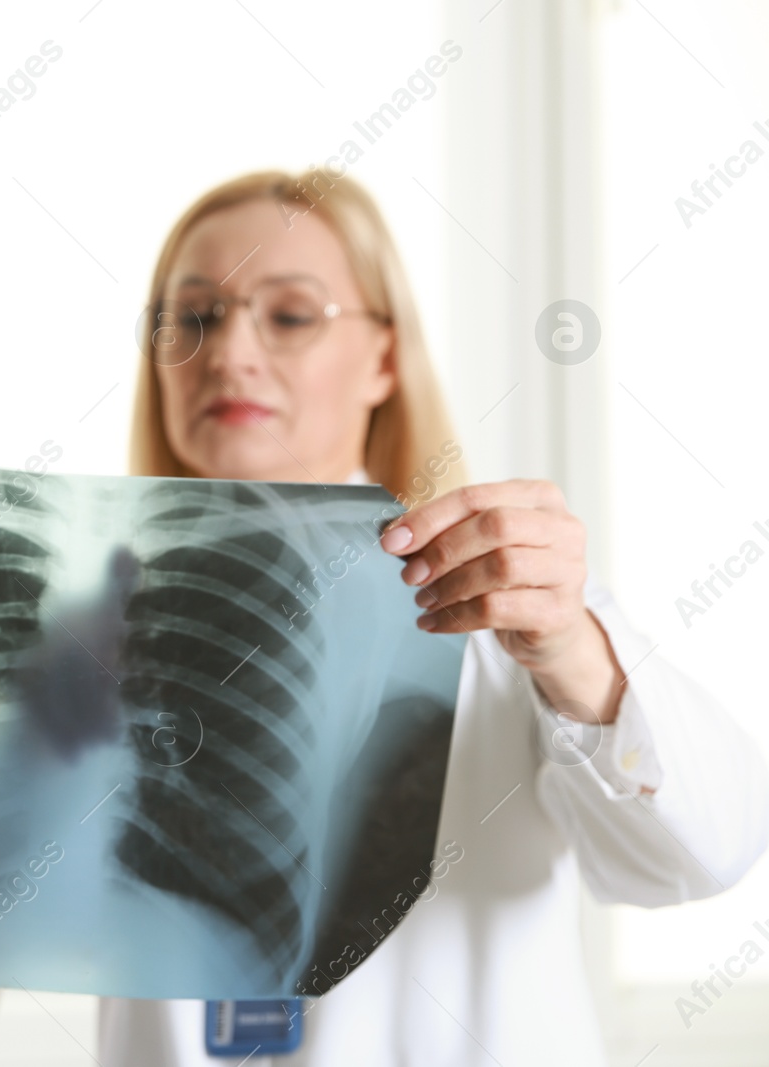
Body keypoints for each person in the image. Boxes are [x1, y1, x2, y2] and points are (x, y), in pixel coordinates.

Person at [100, 169, 769, 1066]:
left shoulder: (504, 603)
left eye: (290, 315)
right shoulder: (82, 632)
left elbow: (704, 852)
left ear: (384, 354)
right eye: (195, 319)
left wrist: (570, 650)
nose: (229, 356)